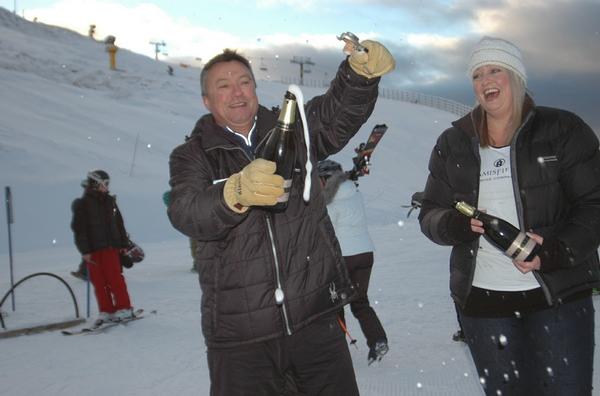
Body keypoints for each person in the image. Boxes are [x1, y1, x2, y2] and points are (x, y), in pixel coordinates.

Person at [168, 39, 394, 395]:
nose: (237, 92)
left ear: (255, 89)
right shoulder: (192, 156)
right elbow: (186, 210)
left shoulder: (293, 132)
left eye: (244, 82)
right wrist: (233, 192)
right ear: (207, 101)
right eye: (222, 86)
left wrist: (359, 76)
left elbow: (334, 116)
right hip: (241, 338)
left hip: (315, 322)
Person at [418, 36, 600, 395]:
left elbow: (594, 203)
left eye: (494, 70)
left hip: (558, 298)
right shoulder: (454, 142)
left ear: (515, 76)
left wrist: (555, 251)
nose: (485, 80)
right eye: (477, 74)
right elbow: (429, 213)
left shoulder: (562, 129)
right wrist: (454, 225)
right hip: (484, 306)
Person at [317, 159, 389, 365]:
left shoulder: (330, 203)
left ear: (326, 179)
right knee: (359, 301)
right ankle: (378, 340)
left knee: (334, 303)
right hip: (365, 253)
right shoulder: (354, 194)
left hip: (344, 257)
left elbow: (324, 232)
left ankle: (336, 349)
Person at [71, 170, 136, 325]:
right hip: (93, 250)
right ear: (95, 183)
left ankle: (124, 307)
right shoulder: (82, 204)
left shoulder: (109, 201)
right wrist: (84, 250)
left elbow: (118, 224)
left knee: (115, 279)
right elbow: (79, 229)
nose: (107, 187)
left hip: (110, 248)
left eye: (107, 184)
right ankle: (106, 310)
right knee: (99, 282)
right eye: (104, 184)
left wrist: (123, 244)